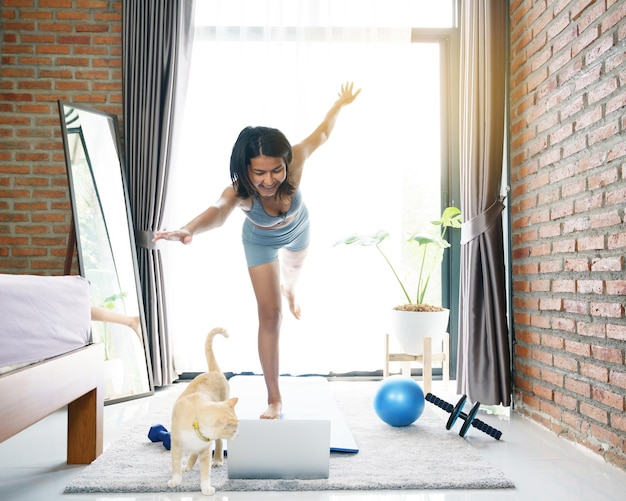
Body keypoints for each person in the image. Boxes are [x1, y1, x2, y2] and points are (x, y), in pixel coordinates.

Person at [153, 82, 361, 419]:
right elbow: (218, 211)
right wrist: (189, 228)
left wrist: (340, 104)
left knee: (292, 278)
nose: (269, 180)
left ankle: (290, 288)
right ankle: (274, 399)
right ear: (246, 168)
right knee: (270, 315)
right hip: (260, 241)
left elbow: (322, 133)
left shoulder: (295, 162)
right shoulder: (240, 191)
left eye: (276, 170)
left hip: (298, 230)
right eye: (259, 172)